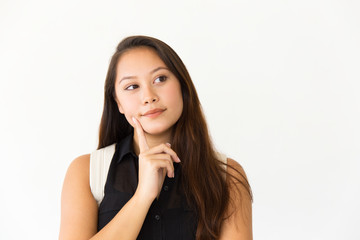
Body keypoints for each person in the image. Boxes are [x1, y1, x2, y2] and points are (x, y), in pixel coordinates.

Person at [59, 35, 253, 240]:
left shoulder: (226, 177)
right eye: (132, 87)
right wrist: (143, 195)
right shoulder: (86, 172)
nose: (148, 96)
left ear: (182, 86)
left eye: (160, 79)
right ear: (118, 103)